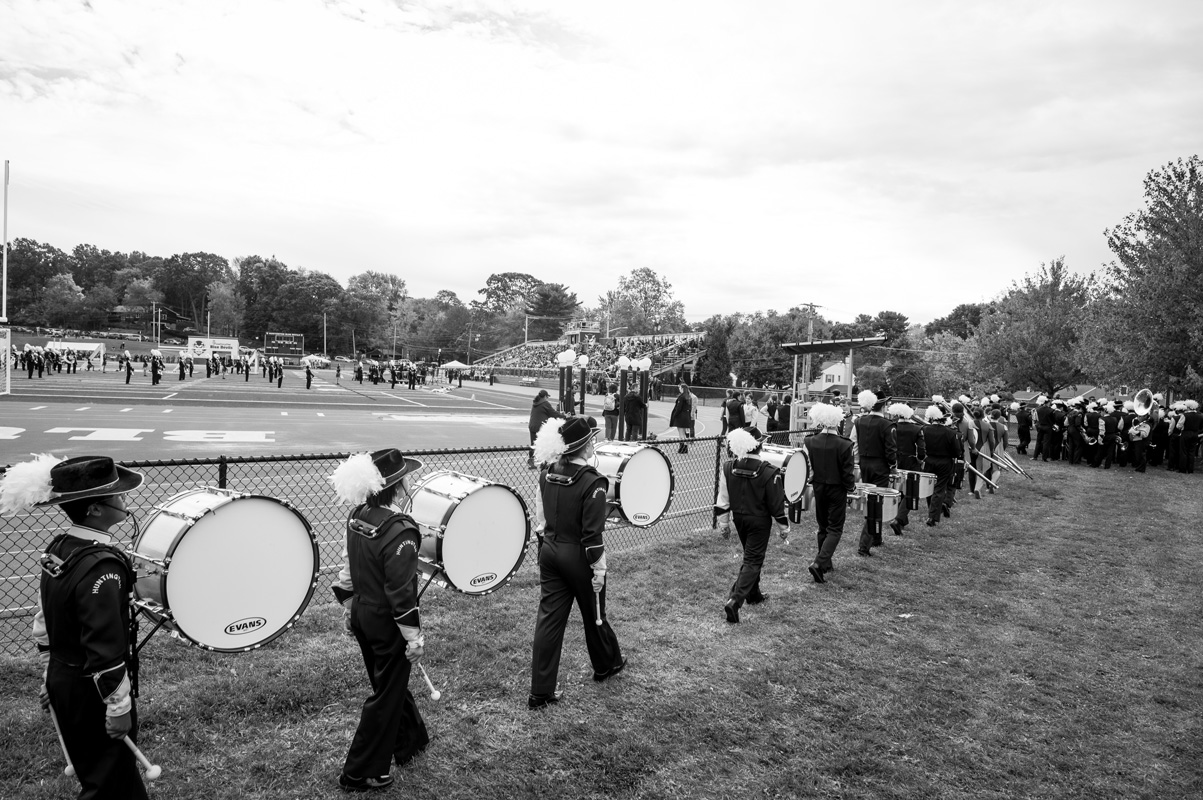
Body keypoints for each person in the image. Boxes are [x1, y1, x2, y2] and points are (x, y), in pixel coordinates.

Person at [0, 454, 149, 800]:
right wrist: (118, 706)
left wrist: (51, 677)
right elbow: (105, 647)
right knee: (107, 782)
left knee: (105, 774)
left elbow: (46, 621)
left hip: (65, 678)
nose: (124, 501)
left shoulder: (61, 546)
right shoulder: (102, 567)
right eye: (118, 496)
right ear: (96, 510)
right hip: (91, 690)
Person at [329, 449, 429, 791]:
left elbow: (348, 568)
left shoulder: (359, 515)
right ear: (397, 485)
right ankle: (359, 772)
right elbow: (401, 594)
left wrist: (348, 607)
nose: (409, 481)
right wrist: (413, 637)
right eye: (405, 477)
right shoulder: (401, 530)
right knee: (386, 693)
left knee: (387, 681)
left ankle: (410, 739)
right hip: (386, 621)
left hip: (361, 612)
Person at [529, 416, 625, 707]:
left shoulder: (547, 472)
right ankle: (605, 666)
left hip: (550, 550)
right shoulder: (593, 481)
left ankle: (541, 691)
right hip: (578, 556)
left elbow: (541, 517)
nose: (594, 443)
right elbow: (592, 536)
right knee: (594, 613)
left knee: (549, 620)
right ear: (583, 446)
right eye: (592, 439)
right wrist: (599, 569)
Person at [715, 427, 789, 622]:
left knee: (750, 556)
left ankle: (754, 595)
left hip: (739, 519)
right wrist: (784, 527)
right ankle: (735, 600)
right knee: (753, 561)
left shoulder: (728, 467)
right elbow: (776, 504)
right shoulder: (769, 471)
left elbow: (723, 498)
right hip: (759, 521)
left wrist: (723, 524)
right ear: (760, 445)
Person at [804, 403, 855, 582]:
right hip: (837, 489)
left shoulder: (810, 441)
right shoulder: (845, 444)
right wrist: (852, 488)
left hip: (819, 487)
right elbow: (847, 474)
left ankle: (825, 563)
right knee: (835, 528)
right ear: (837, 422)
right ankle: (819, 563)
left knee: (822, 527)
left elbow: (808, 465)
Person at [850, 390, 897, 557]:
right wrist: (893, 466)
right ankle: (864, 546)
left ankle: (876, 538)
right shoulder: (886, 424)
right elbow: (890, 450)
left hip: (864, 464)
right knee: (875, 504)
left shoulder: (860, 421)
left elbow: (854, 442)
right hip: (880, 466)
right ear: (883, 406)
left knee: (872, 500)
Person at [887, 402, 926, 536]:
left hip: (895, 459)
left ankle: (902, 519)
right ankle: (898, 519)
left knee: (899, 490)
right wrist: (921, 459)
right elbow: (921, 449)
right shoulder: (917, 428)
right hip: (910, 460)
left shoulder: (892, 426)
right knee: (912, 491)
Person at [921, 404, 961, 526]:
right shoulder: (950, 432)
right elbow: (957, 452)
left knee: (929, 488)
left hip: (928, 461)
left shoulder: (924, 429)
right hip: (944, 462)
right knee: (939, 489)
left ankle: (932, 512)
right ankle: (932, 517)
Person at [528, 390, 564, 470]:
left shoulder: (536, 403)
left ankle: (531, 461)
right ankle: (542, 462)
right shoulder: (545, 404)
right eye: (547, 397)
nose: (547, 398)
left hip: (532, 426)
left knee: (533, 444)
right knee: (542, 445)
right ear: (545, 397)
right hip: (540, 427)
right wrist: (564, 416)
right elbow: (553, 414)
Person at [669, 383, 696, 454]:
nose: (679, 389)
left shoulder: (681, 397)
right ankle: (685, 448)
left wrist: (675, 415)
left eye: (680, 388)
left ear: (683, 389)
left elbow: (679, 408)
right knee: (683, 433)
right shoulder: (689, 397)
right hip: (686, 416)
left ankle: (682, 448)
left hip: (681, 417)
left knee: (681, 433)